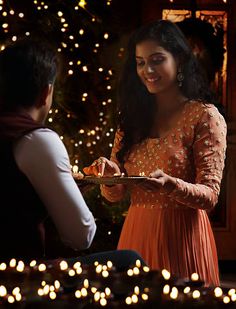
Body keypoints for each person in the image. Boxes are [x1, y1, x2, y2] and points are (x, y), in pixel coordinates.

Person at [83, 19, 227, 286]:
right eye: (140, 62)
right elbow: (114, 197)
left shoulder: (204, 117)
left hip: (183, 240)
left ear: (180, 61)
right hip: (136, 235)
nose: (147, 70)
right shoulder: (132, 119)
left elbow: (210, 196)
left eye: (157, 59)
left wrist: (172, 185)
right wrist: (112, 176)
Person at [0, 38, 144, 270]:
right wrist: (64, 185)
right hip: (16, 277)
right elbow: (81, 235)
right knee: (129, 261)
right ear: (46, 92)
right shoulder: (37, 140)